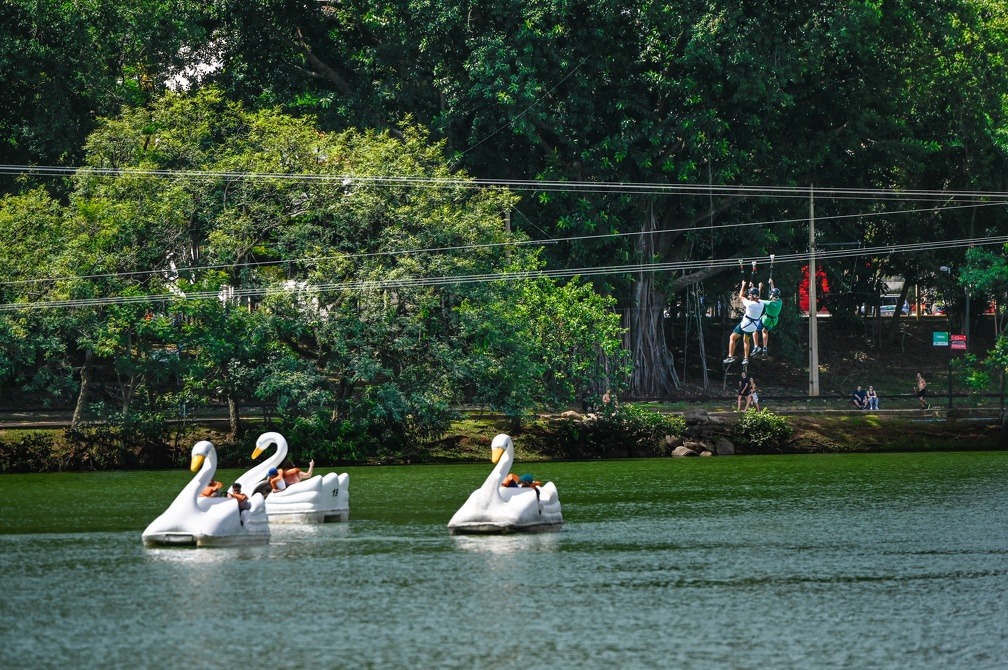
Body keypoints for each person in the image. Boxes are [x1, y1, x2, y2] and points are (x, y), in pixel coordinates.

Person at [724, 281, 765, 365]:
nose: (749, 296)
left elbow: (741, 296)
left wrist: (743, 285)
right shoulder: (761, 304)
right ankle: (746, 358)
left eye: (750, 295)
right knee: (746, 340)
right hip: (753, 327)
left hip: (745, 325)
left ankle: (730, 356)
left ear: (753, 296)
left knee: (732, 337)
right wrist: (754, 287)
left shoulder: (749, 304)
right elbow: (758, 298)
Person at [753, 282, 782, 356]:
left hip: (766, 320)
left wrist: (759, 288)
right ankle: (765, 347)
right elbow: (774, 293)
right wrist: (772, 283)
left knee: (755, 330)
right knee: (765, 330)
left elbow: (757, 299)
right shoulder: (780, 302)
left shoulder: (769, 303)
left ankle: (756, 346)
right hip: (774, 322)